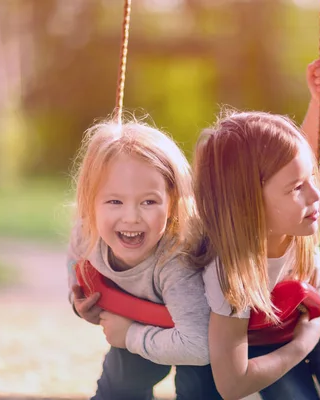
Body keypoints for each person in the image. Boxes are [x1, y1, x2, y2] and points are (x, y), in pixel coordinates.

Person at [184, 55, 320, 399]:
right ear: (248, 203)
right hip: (263, 335)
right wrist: (303, 344)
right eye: (296, 188)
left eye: (311, 180)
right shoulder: (230, 275)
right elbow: (233, 384)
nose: (316, 194)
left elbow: (307, 156)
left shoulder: (297, 216)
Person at [66, 117, 211, 400]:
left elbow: (200, 345)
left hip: (198, 333)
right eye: (114, 201)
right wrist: (80, 305)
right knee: (120, 383)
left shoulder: (177, 261)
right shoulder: (86, 236)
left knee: (200, 387)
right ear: (89, 202)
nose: (131, 217)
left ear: (172, 202)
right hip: (140, 324)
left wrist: (131, 335)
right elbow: (77, 276)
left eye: (149, 202)